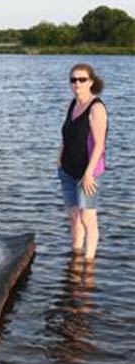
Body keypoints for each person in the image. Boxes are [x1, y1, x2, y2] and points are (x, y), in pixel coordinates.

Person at [58, 63, 107, 262]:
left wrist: (88, 174)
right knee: (74, 216)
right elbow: (67, 133)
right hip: (67, 169)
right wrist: (59, 156)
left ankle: (89, 261)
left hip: (88, 173)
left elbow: (99, 145)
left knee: (88, 217)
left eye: (82, 79)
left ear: (91, 82)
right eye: (73, 79)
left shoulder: (96, 108)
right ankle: (76, 255)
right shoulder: (73, 104)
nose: (77, 83)